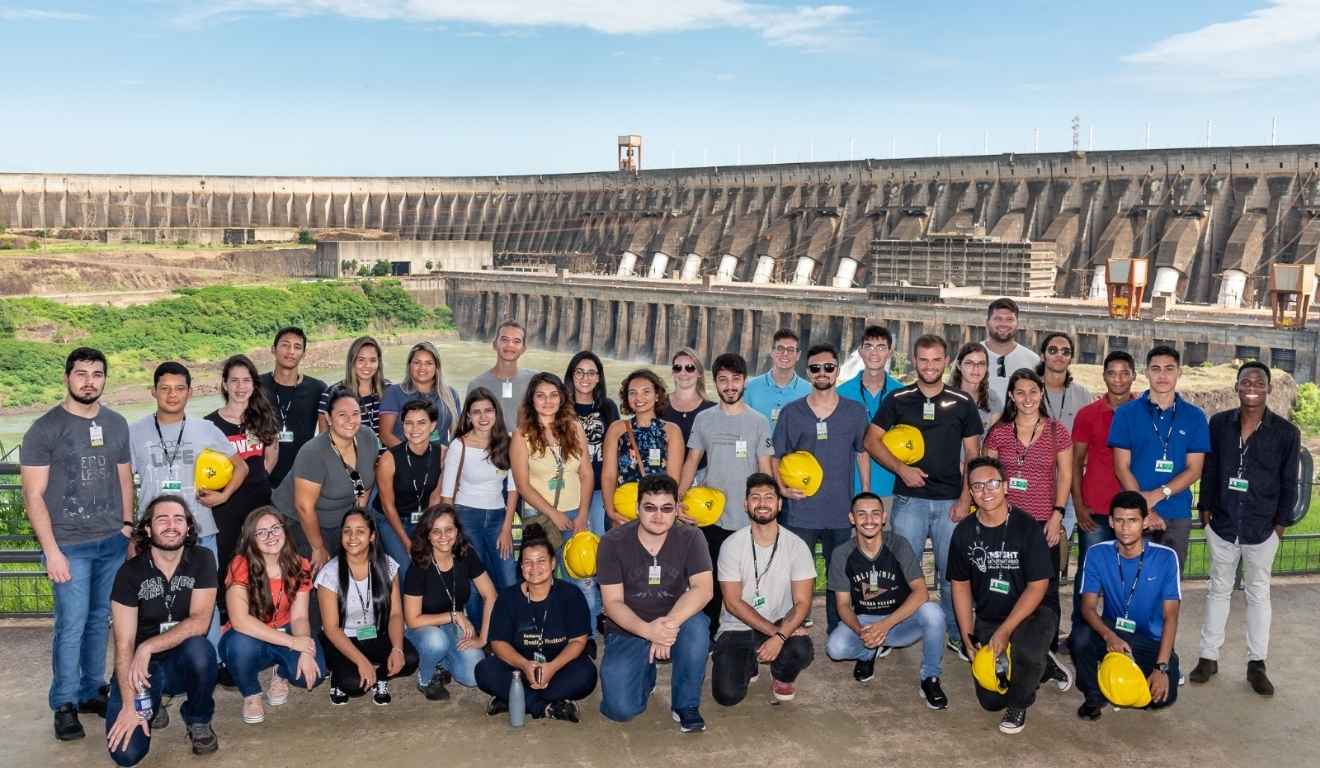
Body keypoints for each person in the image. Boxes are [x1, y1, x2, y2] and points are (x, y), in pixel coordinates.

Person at [20, 347, 134, 741]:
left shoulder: (116, 423)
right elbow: (33, 496)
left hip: (111, 541)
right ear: (67, 377)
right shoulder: (45, 428)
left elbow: (124, 478)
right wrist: (52, 551)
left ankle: (90, 689)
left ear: (105, 379)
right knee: (71, 624)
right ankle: (65, 702)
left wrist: (127, 526)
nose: (89, 381)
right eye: (81, 373)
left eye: (97, 374)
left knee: (99, 619)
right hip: (69, 545)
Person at [866, 334, 982, 657]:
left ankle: (957, 634)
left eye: (936, 360)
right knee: (902, 572)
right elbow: (871, 441)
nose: (930, 366)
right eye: (923, 359)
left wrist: (966, 499)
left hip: (951, 503)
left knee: (953, 575)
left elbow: (974, 454)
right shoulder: (898, 398)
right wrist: (901, 469)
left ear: (946, 362)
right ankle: (895, 632)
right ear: (914, 361)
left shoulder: (962, 402)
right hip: (909, 501)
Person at [1190, 361, 1300, 696]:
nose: (1252, 386)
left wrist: (1279, 526)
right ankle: (1208, 657)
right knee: (1218, 590)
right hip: (1222, 523)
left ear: (1268, 388)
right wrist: (1205, 511)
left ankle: (1257, 664)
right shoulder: (1219, 424)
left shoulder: (1286, 432)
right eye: (1246, 381)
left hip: (1262, 528)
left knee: (1259, 595)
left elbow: (1288, 483)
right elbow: (1209, 471)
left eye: (1259, 382)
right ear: (1236, 387)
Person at [130, 361, 247, 649]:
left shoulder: (205, 429)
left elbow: (241, 467)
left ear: (190, 392)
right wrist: (130, 528)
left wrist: (223, 496)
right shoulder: (134, 432)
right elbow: (121, 480)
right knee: (153, 603)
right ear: (153, 392)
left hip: (200, 531)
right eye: (165, 389)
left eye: (179, 388)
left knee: (205, 602)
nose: (172, 395)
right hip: (153, 536)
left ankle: (210, 662)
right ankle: (157, 661)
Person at [948, 458, 1060, 735]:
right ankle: (1044, 667)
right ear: (970, 492)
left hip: (1034, 612)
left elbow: (1038, 586)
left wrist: (1006, 630)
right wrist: (968, 637)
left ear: (1006, 486)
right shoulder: (964, 532)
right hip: (990, 615)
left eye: (993, 483)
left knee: (1025, 655)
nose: (986, 491)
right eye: (977, 486)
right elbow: (960, 585)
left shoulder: (1027, 527)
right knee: (990, 701)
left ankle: (1020, 703)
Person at [104, 496, 220, 764]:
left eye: (179, 519)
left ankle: (198, 719)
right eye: (162, 519)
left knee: (202, 651)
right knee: (127, 754)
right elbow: (124, 644)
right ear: (148, 528)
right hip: (141, 669)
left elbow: (200, 622)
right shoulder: (129, 573)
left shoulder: (202, 559)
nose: (171, 525)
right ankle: (151, 704)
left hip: (181, 659)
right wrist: (129, 705)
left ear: (188, 528)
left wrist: (148, 646)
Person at [597, 474, 713, 732]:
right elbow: (612, 603)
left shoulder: (692, 537)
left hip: (676, 621)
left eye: (666, 508)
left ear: (677, 510)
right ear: (637, 508)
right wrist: (649, 632)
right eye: (650, 508)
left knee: (697, 628)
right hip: (629, 627)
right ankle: (644, 674)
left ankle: (686, 705)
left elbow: (704, 590)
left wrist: (667, 627)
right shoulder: (612, 542)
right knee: (620, 710)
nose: (658, 516)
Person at [982, 368, 1074, 685]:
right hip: (1006, 525)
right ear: (1011, 395)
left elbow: (1065, 475)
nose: (1027, 398)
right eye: (1020, 392)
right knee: (1007, 588)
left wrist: (1057, 515)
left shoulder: (1057, 431)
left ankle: (1045, 654)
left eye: (1033, 392)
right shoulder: (999, 433)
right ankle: (1009, 646)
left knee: (1046, 592)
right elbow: (988, 475)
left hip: (1043, 524)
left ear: (1041, 394)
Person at [770, 342, 869, 636]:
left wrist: (864, 495)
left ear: (837, 370)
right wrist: (782, 489)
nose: (822, 372)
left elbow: (862, 453)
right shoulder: (791, 413)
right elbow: (776, 456)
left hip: (841, 510)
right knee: (797, 573)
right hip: (801, 511)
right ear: (808, 372)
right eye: (815, 368)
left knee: (839, 575)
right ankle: (795, 627)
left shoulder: (855, 411)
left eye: (828, 367)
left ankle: (837, 628)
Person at [678, 352, 774, 640]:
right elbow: (691, 462)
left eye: (735, 379)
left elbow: (765, 470)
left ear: (744, 381)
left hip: (747, 518)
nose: (730, 386)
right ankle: (709, 634)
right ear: (715, 383)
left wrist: (767, 510)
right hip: (711, 516)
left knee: (752, 581)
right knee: (711, 580)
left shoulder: (759, 422)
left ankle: (754, 634)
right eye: (723, 380)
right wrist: (678, 500)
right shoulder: (704, 419)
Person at [826, 493, 948, 710]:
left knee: (934, 614)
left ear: (883, 517)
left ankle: (930, 678)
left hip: (901, 620)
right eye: (861, 514)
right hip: (866, 621)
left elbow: (921, 593)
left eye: (875, 514)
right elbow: (843, 605)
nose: (869, 520)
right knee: (835, 648)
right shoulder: (842, 553)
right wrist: (861, 632)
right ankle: (867, 653)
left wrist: (884, 625)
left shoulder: (898, 544)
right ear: (852, 518)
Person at [1073, 491, 1182, 719]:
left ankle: (1156, 666)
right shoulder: (1097, 553)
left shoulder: (1165, 557)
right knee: (1080, 637)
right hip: (1113, 630)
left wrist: (1161, 667)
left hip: (1150, 639)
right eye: (1119, 520)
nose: (1125, 528)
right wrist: (1108, 636)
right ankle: (1095, 695)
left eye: (1132, 520)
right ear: (1111, 522)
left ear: (1145, 522)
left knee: (1161, 699)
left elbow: (1170, 616)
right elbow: (1088, 607)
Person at [711, 473, 816, 706]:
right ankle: (750, 661)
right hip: (738, 625)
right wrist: (776, 634)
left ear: (779, 504)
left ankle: (781, 675)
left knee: (801, 648)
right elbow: (733, 603)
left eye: (769, 497)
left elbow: (803, 602)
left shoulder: (796, 546)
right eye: (755, 497)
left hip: (779, 621)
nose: (762, 503)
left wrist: (781, 635)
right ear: (745, 504)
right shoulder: (731, 545)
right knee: (727, 696)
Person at [476, 522, 597, 722]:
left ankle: (515, 698)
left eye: (541, 561)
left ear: (553, 563)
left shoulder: (571, 595)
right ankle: (546, 707)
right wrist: (525, 665)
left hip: (559, 667)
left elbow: (578, 641)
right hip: (520, 668)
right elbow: (498, 643)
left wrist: (552, 667)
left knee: (586, 675)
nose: (534, 568)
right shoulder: (508, 598)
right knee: (484, 671)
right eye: (528, 562)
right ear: (521, 566)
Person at [218, 507, 325, 725]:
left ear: (285, 531)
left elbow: (299, 618)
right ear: (251, 538)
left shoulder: (300, 564)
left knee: (313, 674)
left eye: (276, 528)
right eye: (262, 532)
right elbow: (240, 621)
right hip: (249, 635)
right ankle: (251, 694)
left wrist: (305, 650)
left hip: (285, 629)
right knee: (239, 645)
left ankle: (280, 673)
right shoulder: (241, 564)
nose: (270, 536)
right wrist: (293, 643)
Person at [1108, 345, 1210, 572]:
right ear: (1146, 373)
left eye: (1169, 369)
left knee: (1169, 583)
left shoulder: (1195, 416)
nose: (1162, 375)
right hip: (1133, 515)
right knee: (1131, 579)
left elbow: (1194, 469)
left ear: (1179, 372)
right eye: (1156, 369)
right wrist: (1144, 508)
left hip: (1177, 513)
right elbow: (1121, 467)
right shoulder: (1126, 413)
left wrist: (1157, 495)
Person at [315, 510, 420, 705]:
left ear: (372, 536)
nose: (352, 537)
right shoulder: (329, 574)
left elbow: (396, 614)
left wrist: (397, 649)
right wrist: (361, 661)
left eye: (360, 531)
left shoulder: (387, 565)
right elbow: (331, 629)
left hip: (374, 632)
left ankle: (380, 677)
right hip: (342, 637)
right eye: (347, 531)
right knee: (354, 684)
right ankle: (339, 676)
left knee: (410, 659)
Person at [272, 388, 380, 572]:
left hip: (340, 518)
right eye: (342, 415)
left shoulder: (368, 437)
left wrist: (358, 519)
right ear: (329, 419)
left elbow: (365, 483)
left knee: (365, 561)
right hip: (298, 519)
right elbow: (304, 507)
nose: (350, 420)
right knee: (319, 571)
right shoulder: (313, 452)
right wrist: (318, 547)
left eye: (355, 414)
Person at [205, 354, 279, 612]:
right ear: (224, 384)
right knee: (227, 561)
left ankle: (260, 611)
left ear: (254, 384)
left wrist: (259, 478)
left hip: (259, 503)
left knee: (260, 559)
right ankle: (226, 614)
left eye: (246, 380)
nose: (240, 387)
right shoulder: (209, 424)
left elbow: (271, 454)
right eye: (234, 381)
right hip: (225, 506)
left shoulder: (263, 416)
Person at [1070, 351, 1137, 633]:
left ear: (1134, 376)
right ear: (1104, 376)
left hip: (1133, 510)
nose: (1118, 379)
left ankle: (1120, 632)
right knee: (1090, 573)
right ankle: (1080, 633)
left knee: (1128, 574)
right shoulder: (1088, 414)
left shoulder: (1145, 412)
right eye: (1112, 373)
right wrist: (1079, 505)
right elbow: (1075, 462)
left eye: (1124, 373)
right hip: (1095, 509)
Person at [403, 505, 497, 700]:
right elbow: (412, 619)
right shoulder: (419, 565)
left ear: (457, 531)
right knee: (435, 642)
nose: (443, 536)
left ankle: (442, 660)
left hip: (453, 625)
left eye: (449, 529)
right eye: (436, 531)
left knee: (472, 676)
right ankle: (426, 677)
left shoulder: (466, 554)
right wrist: (453, 616)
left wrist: (483, 639)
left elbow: (490, 595)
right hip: (422, 628)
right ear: (428, 535)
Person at [441, 388, 520, 611]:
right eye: (477, 412)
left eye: (488, 410)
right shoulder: (459, 445)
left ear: (496, 413)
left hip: (498, 518)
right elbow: (447, 495)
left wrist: (506, 528)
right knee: (475, 582)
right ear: (468, 416)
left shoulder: (508, 442)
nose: (483, 417)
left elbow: (513, 489)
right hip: (466, 517)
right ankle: (477, 629)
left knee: (508, 577)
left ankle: (508, 626)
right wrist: (452, 531)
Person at [601, 369, 684, 525]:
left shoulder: (672, 431)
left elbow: (673, 480)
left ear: (657, 395)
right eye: (632, 393)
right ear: (627, 398)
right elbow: (609, 476)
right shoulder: (617, 429)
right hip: (623, 511)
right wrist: (610, 510)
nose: (639, 398)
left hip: (657, 513)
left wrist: (668, 511)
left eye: (646, 392)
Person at [373, 399, 444, 578]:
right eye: (409, 423)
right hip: (390, 519)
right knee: (406, 569)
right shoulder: (388, 459)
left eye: (421, 422)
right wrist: (407, 543)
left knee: (432, 564)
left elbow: (435, 498)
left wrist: (428, 531)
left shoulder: (442, 454)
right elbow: (388, 506)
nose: (414, 429)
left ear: (433, 426)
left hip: (423, 518)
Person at [1035, 331, 1092, 542]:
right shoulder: (1029, 391)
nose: (1059, 355)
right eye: (1053, 350)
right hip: (1034, 482)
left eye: (1065, 351)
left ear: (1071, 358)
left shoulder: (1083, 395)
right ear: (1042, 355)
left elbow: (1090, 440)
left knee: (1059, 544)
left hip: (1069, 485)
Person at [836, 326, 903, 503]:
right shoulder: (840, 393)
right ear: (860, 351)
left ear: (890, 352)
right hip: (849, 489)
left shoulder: (902, 394)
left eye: (881, 347)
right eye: (869, 346)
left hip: (891, 489)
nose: (874, 353)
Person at [259, 327, 326, 487]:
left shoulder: (318, 388)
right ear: (273, 349)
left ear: (304, 353)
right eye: (285, 345)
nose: (291, 351)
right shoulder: (256, 385)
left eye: (297, 347)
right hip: (263, 475)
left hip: (303, 477)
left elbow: (326, 435)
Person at [566, 350, 618, 535]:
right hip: (569, 488)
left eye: (591, 373)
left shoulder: (608, 407)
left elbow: (615, 449)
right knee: (570, 540)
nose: (585, 378)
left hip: (599, 487)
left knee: (599, 537)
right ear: (571, 376)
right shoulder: (561, 407)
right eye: (579, 372)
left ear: (598, 378)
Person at [379, 341, 461, 449]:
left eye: (428, 363)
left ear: (437, 367)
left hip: (442, 458)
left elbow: (457, 434)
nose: (422, 367)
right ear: (409, 365)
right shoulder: (393, 393)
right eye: (417, 362)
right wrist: (410, 455)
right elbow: (385, 435)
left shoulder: (451, 394)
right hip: (403, 457)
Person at [467, 319, 537, 431]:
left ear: (523, 349)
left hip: (525, 441)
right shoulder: (477, 385)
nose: (510, 345)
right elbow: (470, 425)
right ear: (495, 345)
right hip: (492, 442)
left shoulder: (535, 381)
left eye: (517, 341)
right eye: (504, 340)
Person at [317, 336, 389, 437]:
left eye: (373, 360)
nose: (367, 365)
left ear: (378, 362)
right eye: (361, 360)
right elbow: (323, 439)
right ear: (352, 361)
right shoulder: (331, 393)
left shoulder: (389, 390)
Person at [744, 328, 811, 431]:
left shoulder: (810, 391)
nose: (785, 353)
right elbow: (742, 425)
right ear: (772, 352)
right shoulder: (749, 387)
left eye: (790, 350)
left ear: (798, 355)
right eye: (780, 348)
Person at [981, 297, 1039, 414]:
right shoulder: (970, 356)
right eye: (998, 318)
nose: (1004, 324)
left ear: (1017, 324)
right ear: (987, 322)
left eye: (1009, 319)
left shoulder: (1033, 360)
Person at [659, 347, 716, 457]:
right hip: (664, 468)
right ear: (673, 373)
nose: (683, 373)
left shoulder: (712, 410)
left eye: (689, 368)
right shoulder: (658, 404)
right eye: (677, 368)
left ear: (699, 373)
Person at [950, 342, 995, 432]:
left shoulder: (993, 399)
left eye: (981, 363)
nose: (976, 369)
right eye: (969, 363)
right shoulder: (945, 396)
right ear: (959, 365)